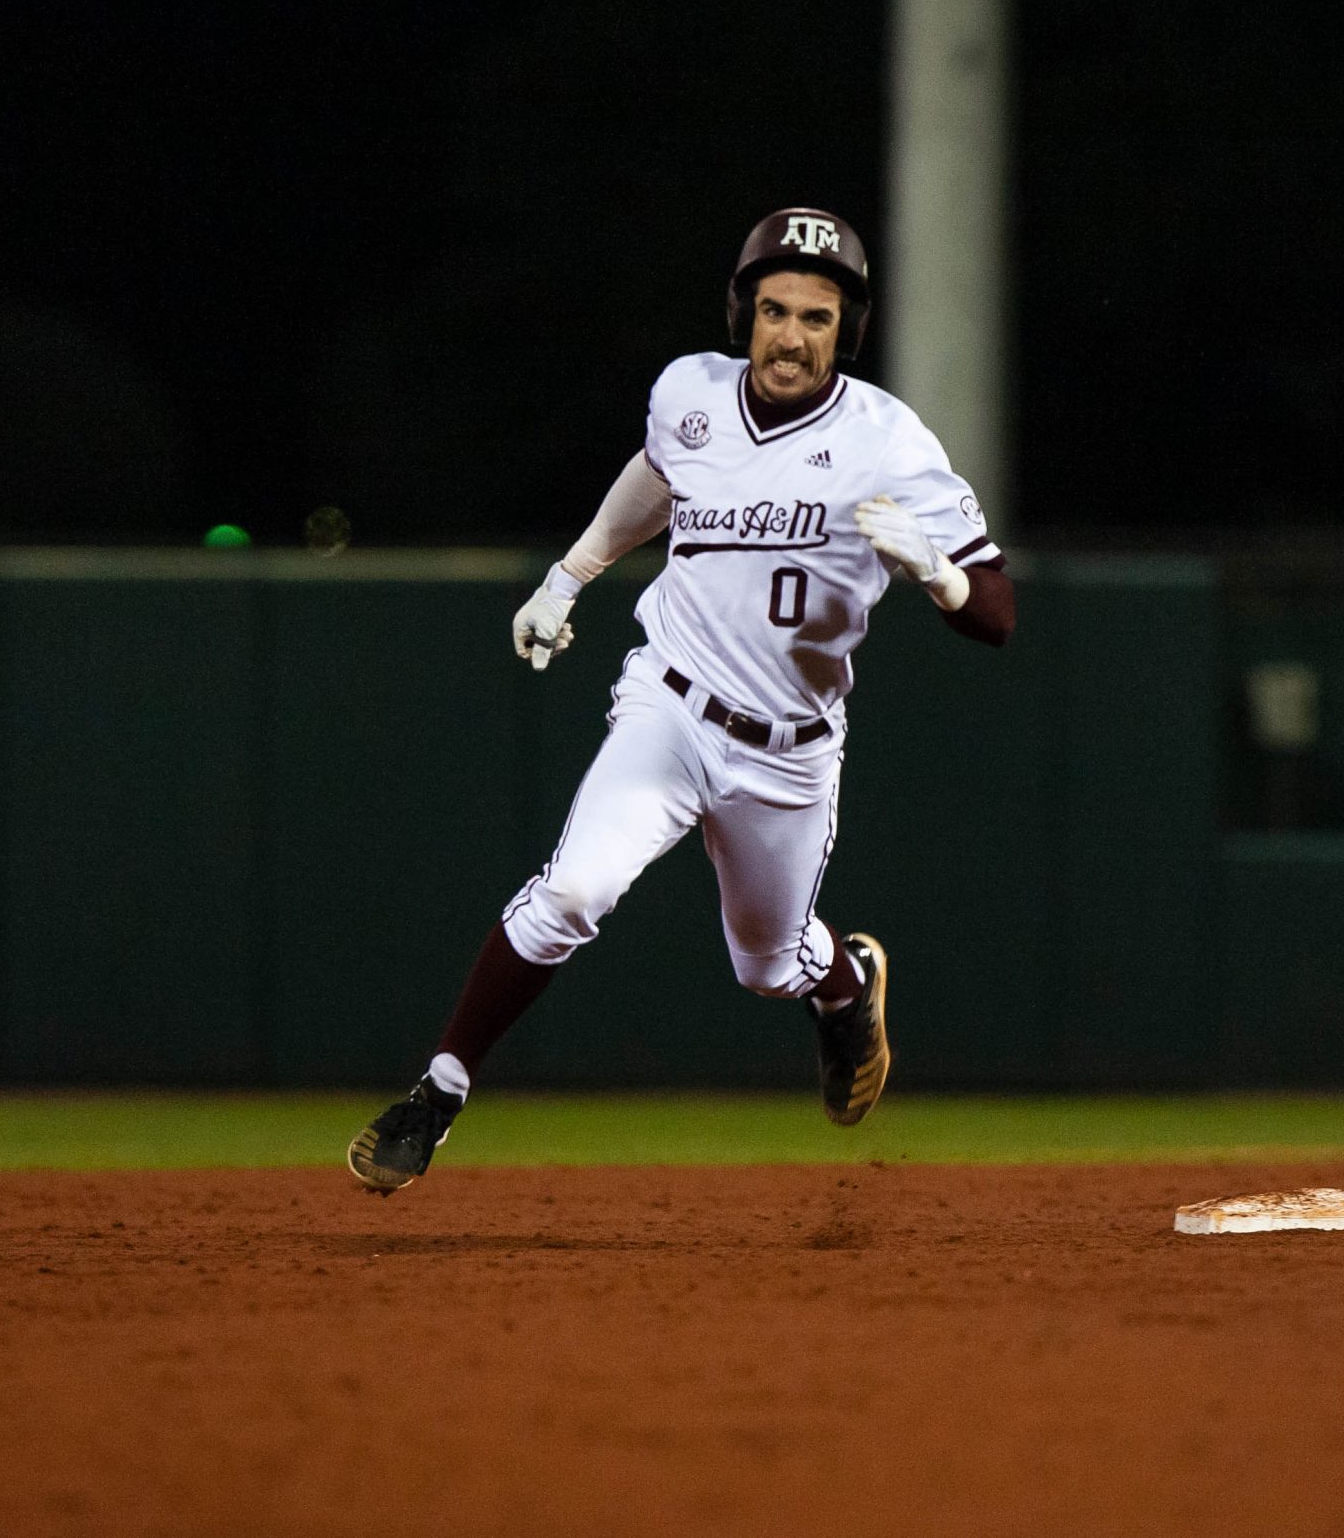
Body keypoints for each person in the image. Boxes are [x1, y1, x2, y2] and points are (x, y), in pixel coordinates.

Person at [347, 207, 1013, 1193]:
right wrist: (568, 577)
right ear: (744, 311)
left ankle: (845, 985)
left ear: (846, 332)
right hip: (670, 705)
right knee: (573, 889)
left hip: (788, 751)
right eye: (775, 309)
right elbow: (658, 477)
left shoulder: (887, 442)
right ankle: (437, 1094)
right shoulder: (689, 393)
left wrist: (944, 580)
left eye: (817, 318)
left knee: (766, 964)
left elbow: (995, 614)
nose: (791, 335)